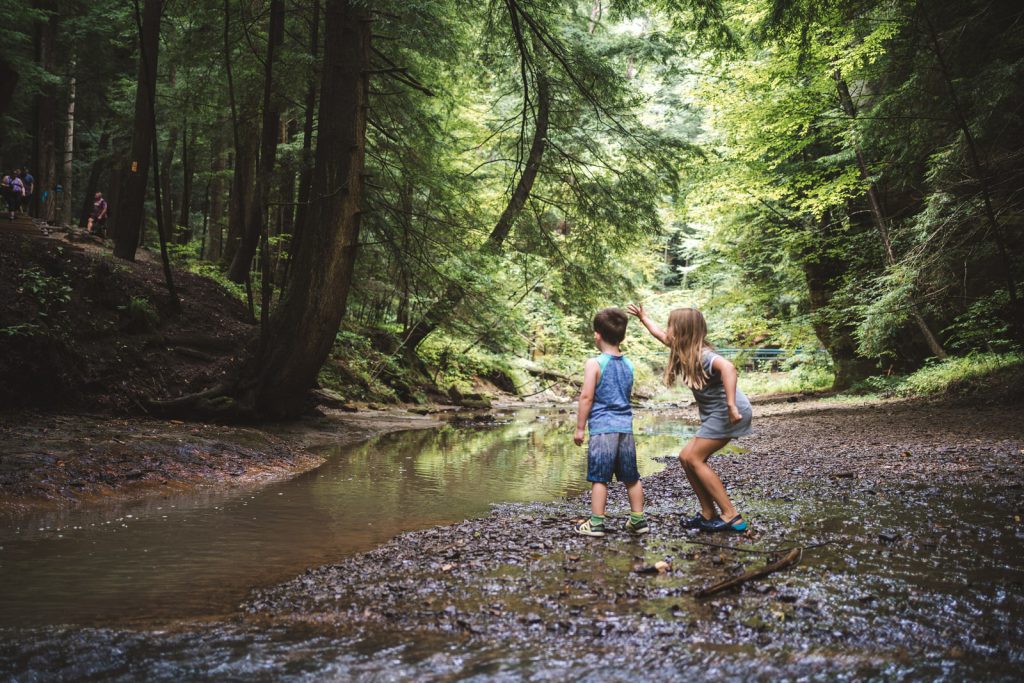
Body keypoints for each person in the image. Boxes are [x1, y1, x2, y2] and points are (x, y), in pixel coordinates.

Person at [629, 304, 752, 533]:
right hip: (719, 414)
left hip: (728, 413)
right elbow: (659, 335)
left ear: (683, 330)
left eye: (671, 326)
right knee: (686, 457)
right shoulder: (682, 348)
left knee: (695, 458)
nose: (667, 330)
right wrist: (643, 318)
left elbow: (729, 368)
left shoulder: (705, 356)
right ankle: (708, 513)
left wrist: (731, 405)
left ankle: (732, 516)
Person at [573, 307, 649, 537]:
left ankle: (596, 523)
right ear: (622, 336)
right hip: (625, 428)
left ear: (597, 335)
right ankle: (637, 520)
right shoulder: (629, 365)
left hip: (603, 429)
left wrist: (579, 428)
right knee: (631, 477)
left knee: (600, 478)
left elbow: (586, 397)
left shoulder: (594, 363)